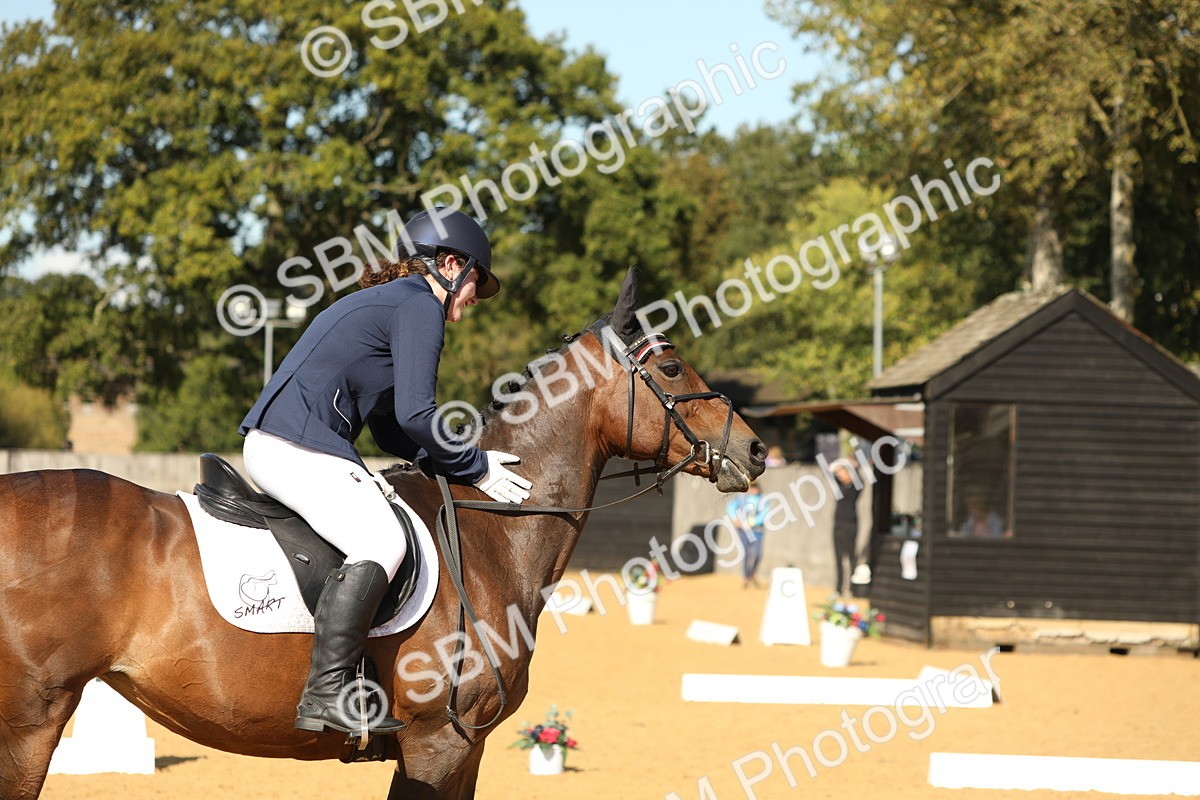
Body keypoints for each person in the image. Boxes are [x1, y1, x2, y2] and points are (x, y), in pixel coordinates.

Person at [238, 208, 533, 736]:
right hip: (296, 444)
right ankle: (326, 691)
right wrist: (476, 465)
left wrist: (447, 467)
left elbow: (392, 429)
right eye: (474, 285)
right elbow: (418, 414)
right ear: (449, 265)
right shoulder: (419, 307)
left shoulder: (394, 303)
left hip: (291, 442)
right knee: (382, 538)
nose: (471, 301)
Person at [727, 483, 769, 588]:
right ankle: (746, 578)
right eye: (752, 487)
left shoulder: (763, 499)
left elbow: (765, 512)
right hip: (743, 531)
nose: (754, 489)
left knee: (758, 555)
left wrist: (753, 522)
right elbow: (730, 507)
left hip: (757, 531)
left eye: (755, 487)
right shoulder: (741, 498)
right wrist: (734, 518)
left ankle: (752, 574)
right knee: (746, 554)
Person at [831, 461, 863, 596]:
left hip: (850, 525)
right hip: (838, 525)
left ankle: (853, 589)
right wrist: (840, 466)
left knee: (851, 558)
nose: (841, 476)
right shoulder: (839, 488)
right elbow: (831, 475)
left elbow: (860, 481)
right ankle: (839, 589)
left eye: (844, 473)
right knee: (838, 558)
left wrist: (853, 467)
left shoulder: (854, 489)